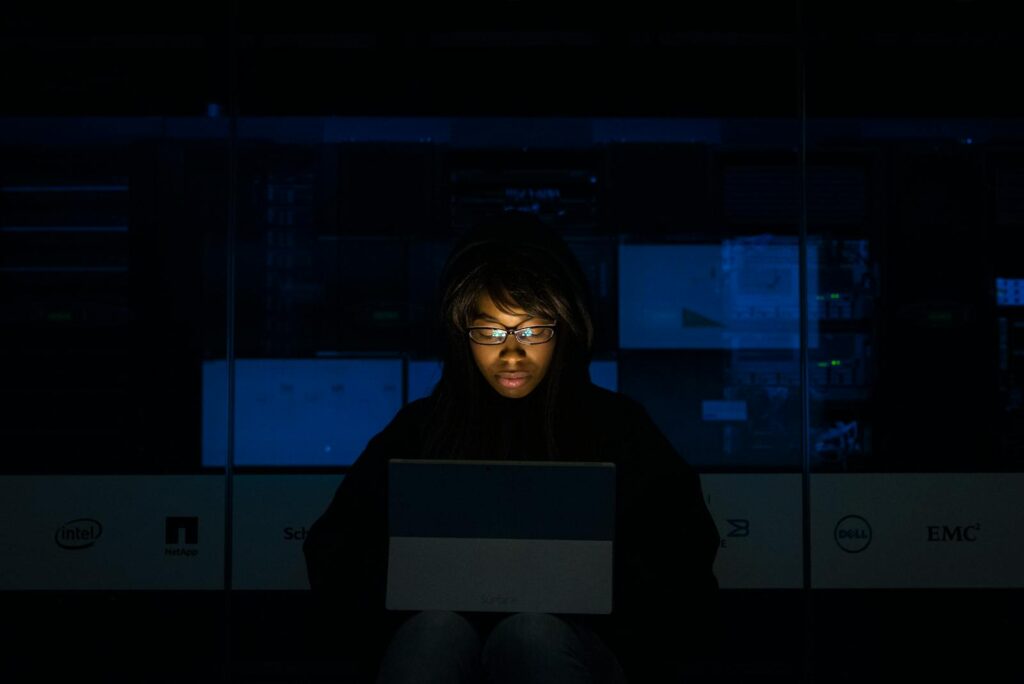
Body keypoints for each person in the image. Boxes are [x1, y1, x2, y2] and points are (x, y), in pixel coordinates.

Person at [303, 212, 721, 683]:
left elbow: (684, 561)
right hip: (438, 637)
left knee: (531, 634)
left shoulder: (619, 427)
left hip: (582, 642)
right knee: (434, 633)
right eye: (490, 332)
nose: (511, 353)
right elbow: (336, 552)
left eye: (532, 330)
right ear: (462, 336)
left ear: (564, 329)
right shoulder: (422, 427)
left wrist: (600, 588)